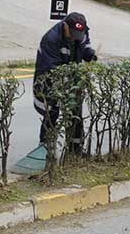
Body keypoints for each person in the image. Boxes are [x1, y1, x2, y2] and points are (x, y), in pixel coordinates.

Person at [32, 12, 97, 150]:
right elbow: (53, 70)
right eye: (72, 34)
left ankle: (75, 149)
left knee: (75, 114)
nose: (75, 38)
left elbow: (84, 45)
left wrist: (89, 54)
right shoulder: (50, 40)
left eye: (78, 35)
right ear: (65, 26)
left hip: (71, 80)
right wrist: (70, 83)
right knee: (51, 114)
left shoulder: (81, 32)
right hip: (50, 82)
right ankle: (45, 148)